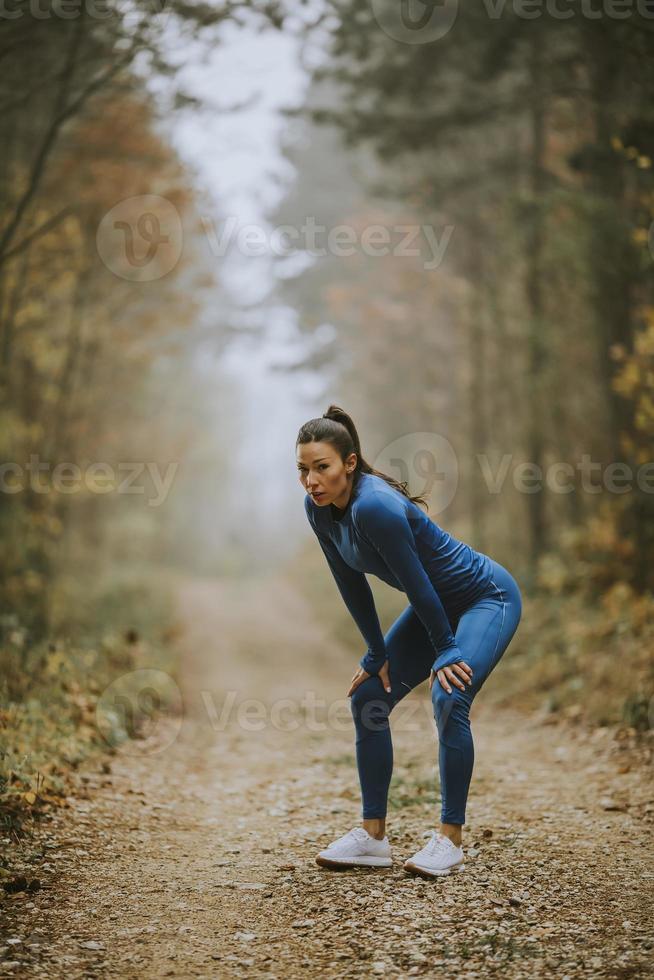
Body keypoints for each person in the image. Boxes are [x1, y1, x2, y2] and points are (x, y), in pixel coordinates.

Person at [296, 405, 523, 878]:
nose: (311, 480)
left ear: (349, 464)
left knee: (449, 693)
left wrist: (446, 648)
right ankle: (373, 837)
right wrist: (375, 652)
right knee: (368, 695)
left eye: (322, 467)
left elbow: (417, 581)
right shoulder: (318, 511)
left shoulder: (374, 506)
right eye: (303, 469)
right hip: (434, 607)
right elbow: (350, 581)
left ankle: (449, 839)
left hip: (485, 598)